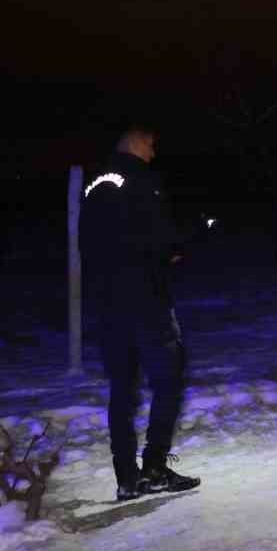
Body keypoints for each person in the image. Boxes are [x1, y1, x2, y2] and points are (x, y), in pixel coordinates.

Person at [80, 123, 202, 502]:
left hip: (107, 304)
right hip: (147, 301)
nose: (154, 153)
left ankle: (126, 477)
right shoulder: (142, 181)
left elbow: (87, 243)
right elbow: (160, 241)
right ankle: (153, 467)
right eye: (151, 145)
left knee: (122, 388)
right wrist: (185, 243)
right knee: (168, 378)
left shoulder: (95, 185)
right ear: (135, 142)